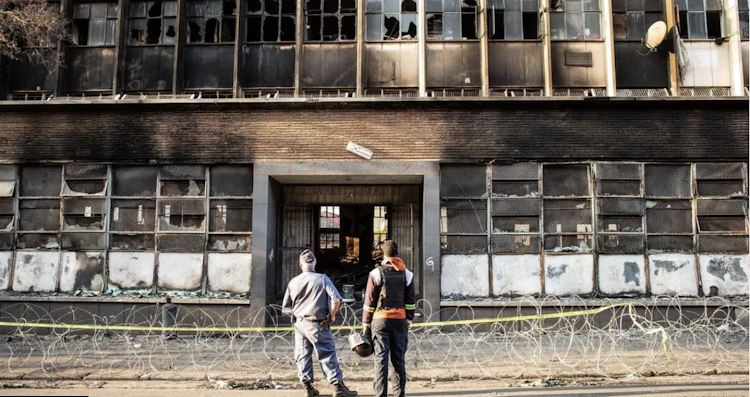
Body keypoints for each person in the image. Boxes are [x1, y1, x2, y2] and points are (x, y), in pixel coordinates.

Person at [282, 249, 357, 397]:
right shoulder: (322, 279)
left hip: (300, 324)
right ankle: (338, 387)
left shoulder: (293, 282)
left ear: (300, 265)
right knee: (327, 354)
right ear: (315, 262)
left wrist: (298, 315)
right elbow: (336, 300)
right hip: (318, 323)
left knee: (302, 355)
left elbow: (286, 308)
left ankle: (308, 387)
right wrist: (331, 316)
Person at [362, 240, 416, 397]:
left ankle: (380, 394)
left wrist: (366, 323)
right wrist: (408, 321)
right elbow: (410, 301)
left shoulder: (375, 273)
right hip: (400, 321)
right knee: (398, 360)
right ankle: (399, 394)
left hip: (380, 321)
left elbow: (369, 301)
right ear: (397, 252)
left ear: (383, 253)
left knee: (381, 360)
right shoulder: (407, 273)